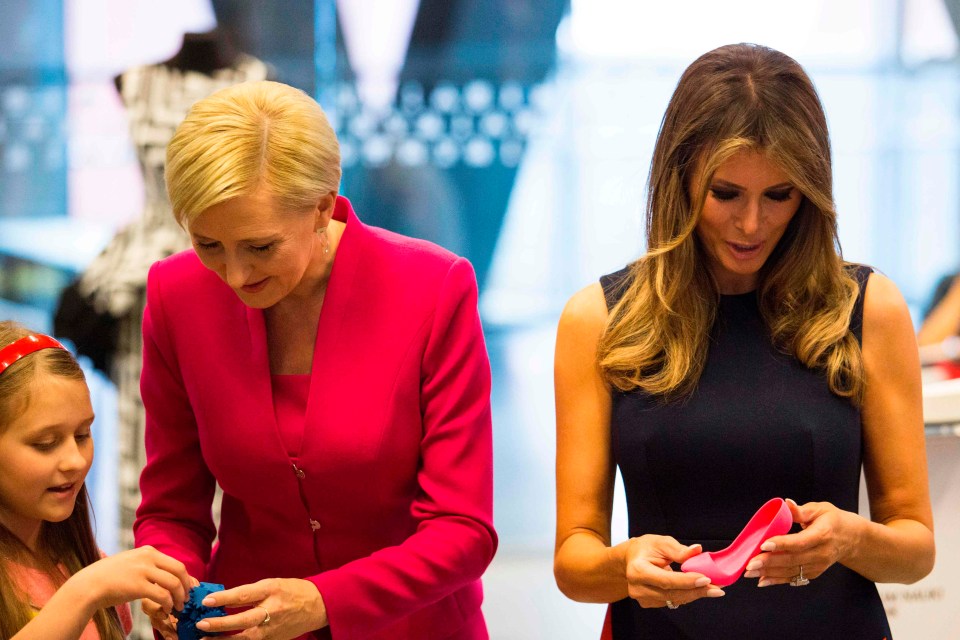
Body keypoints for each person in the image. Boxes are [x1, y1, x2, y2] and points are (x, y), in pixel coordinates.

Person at [553, 43, 934, 639]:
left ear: (809, 193)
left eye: (778, 196)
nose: (752, 224)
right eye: (725, 194)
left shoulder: (866, 309)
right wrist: (622, 567)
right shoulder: (600, 320)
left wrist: (850, 538)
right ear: (680, 180)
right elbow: (574, 562)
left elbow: (915, 549)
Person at [133, 80, 496, 640]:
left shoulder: (432, 288)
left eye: (260, 247)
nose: (235, 276)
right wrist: (167, 580)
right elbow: (171, 508)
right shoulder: (175, 295)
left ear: (322, 207)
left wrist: (325, 599)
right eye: (208, 245)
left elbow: (463, 528)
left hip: (413, 627)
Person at [0, 321, 193, 640]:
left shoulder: (85, 563)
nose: (75, 461)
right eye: (45, 443)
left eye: (82, 435)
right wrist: (86, 592)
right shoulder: (90, 584)